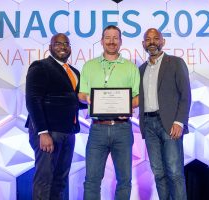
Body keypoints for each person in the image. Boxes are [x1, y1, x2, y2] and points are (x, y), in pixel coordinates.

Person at [78, 25, 140, 200]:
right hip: (97, 129)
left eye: (115, 38)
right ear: (102, 40)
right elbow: (81, 93)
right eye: (108, 37)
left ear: (120, 41)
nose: (111, 41)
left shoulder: (130, 67)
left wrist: (127, 106)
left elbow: (138, 97)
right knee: (91, 180)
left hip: (123, 129)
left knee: (124, 180)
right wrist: (88, 98)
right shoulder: (89, 66)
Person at [25, 33, 86, 200]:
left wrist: (96, 101)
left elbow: (77, 101)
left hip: (68, 132)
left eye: (66, 44)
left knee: (60, 180)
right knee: (45, 180)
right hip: (48, 132)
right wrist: (42, 132)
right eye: (58, 44)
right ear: (50, 47)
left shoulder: (74, 72)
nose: (62, 47)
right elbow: (32, 100)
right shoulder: (40, 66)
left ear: (70, 48)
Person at [138, 28, 191, 200]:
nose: (152, 42)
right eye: (148, 39)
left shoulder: (175, 62)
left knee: (175, 173)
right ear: (143, 44)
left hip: (170, 124)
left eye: (156, 38)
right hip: (149, 125)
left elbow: (186, 95)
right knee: (159, 173)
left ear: (163, 42)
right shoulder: (141, 69)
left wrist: (179, 121)